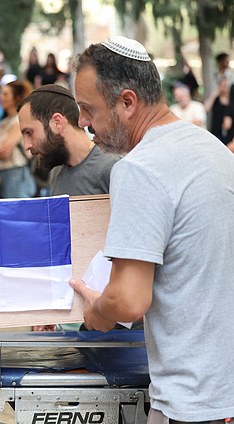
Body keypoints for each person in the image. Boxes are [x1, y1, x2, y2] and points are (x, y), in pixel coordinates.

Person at [69, 36, 234, 423]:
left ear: (127, 102)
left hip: (191, 400)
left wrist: (96, 313)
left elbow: (128, 300)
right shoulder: (209, 146)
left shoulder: (139, 168)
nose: (82, 123)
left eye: (87, 109)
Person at [18, 84, 120, 196]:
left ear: (57, 123)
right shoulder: (56, 173)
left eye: (29, 133)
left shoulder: (113, 168)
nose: (26, 145)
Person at [0, 79, 35, 198]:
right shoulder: (4, 122)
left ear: (16, 98)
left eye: (5, 94)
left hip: (16, 173)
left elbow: (3, 151)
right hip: (5, 174)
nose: (1, 97)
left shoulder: (19, 120)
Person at [204, 76, 234, 145]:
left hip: (230, 134)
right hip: (216, 132)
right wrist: (213, 95)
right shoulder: (216, 99)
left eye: (226, 85)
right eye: (222, 85)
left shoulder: (232, 100)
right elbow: (206, 109)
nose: (225, 87)